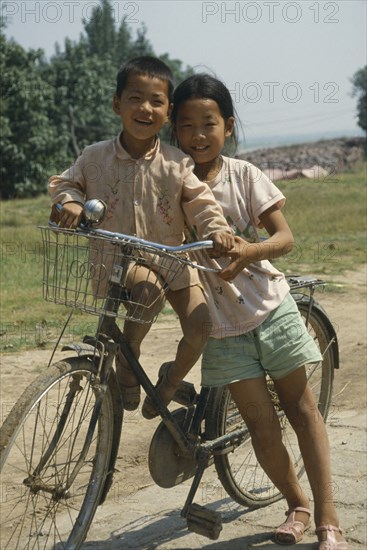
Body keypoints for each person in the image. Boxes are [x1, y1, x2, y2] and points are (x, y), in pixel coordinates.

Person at [170, 73, 348, 550]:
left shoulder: (243, 175)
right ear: (174, 133)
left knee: (300, 409)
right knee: (260, 424)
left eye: (208, 123)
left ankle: (329, 516)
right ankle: (298, 506)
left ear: (227, 126)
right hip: (222, 327)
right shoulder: (170, 184)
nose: (198, 135)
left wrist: (251, 250)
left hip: (271, 309)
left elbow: (285, 239)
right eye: (186, 126)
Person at [48, 57, 235, 415]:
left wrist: (217, 230)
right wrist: (70, 202)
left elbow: (201, 203)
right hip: (118, 264)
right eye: (135, 98)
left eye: (156, 101)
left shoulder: (177, 162)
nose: (145, 108)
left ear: (168, 113)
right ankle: (127, 361)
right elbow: (65, 183)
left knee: (201, 324)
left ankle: (168, 382)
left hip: (173, 261)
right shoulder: (94, 156)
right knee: (148, 291)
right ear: (117, 104)